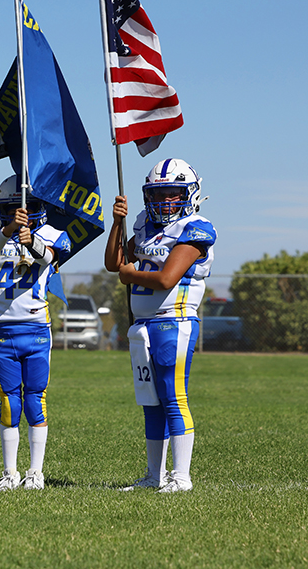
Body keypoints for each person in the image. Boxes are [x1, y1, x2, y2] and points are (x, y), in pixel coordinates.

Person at [105, 158, 215, 494]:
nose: (164, 200)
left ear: (190, 194)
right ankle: (154, 475)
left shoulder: (196, 227)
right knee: (150, 400)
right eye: (157, 193)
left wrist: (131, 275)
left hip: (174, 321)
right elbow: (113, 263)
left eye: (172, 193)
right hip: (144, 325)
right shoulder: (143, 224)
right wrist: (117, 224)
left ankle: (180, 477)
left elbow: (167, 278)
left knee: (172, 395)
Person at [0, 176, 71, 492]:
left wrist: (31, 241)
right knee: (9, 402)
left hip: (37, 328)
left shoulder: (52, 235)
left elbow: (50, 257)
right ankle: (9, 471)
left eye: (23, 207)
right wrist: (9, 231)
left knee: (35, 400)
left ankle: (35, 471)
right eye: (10, 208)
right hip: (3, 329)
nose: (18, 212)